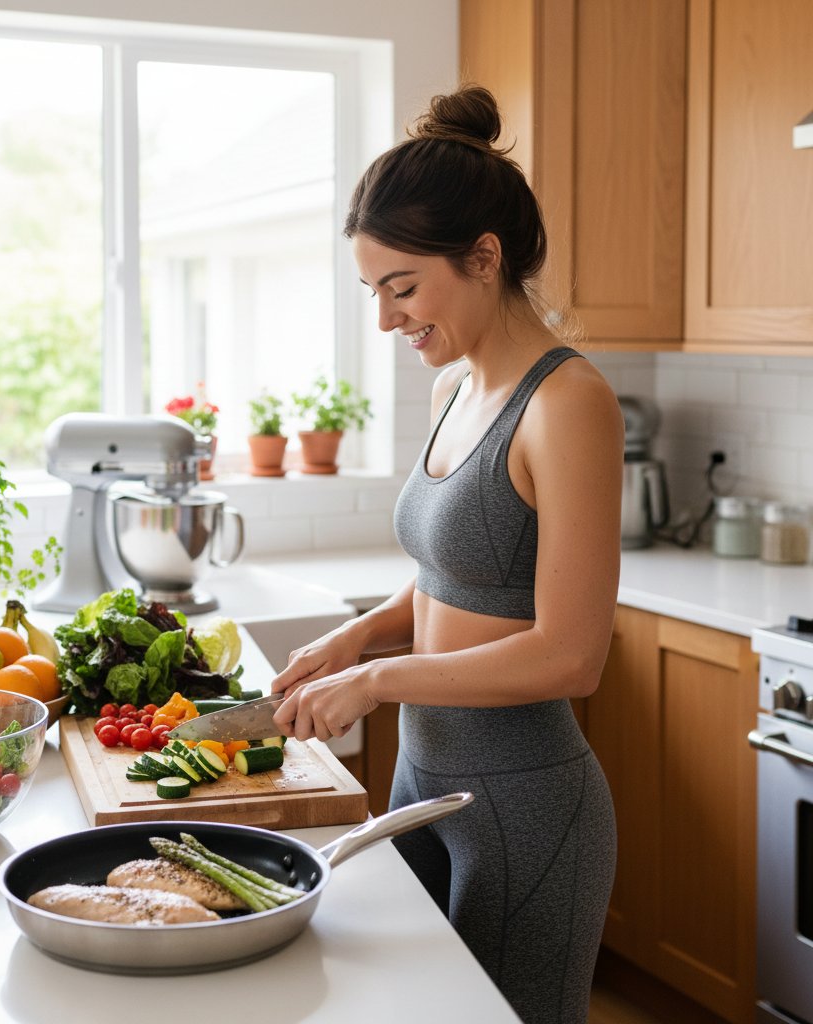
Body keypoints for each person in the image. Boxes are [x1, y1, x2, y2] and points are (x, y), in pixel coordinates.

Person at [271, 84, 622, 1024]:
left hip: (528, 805)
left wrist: (383, 684)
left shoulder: (568, 403)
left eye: (403, 288)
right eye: (373, 291)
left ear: (484, 258)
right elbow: (454, 571)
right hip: (422, 781)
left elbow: (571, 653)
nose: (388, 320)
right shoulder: (454, 389)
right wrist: (362, 638)